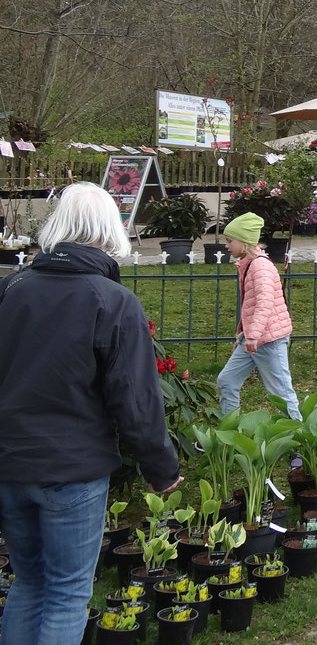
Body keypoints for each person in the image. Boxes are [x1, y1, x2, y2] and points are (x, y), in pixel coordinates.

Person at [0, 182, 181, 645]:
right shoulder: (113, 301)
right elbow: (137, 401)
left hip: (10, 463)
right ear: (108, 231)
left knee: (29, 582)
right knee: (65, 592)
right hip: (71, 469)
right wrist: (160, 470)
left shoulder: (10, 289)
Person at [215, 213, 303, 421]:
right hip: (254, 338)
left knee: (281, 392)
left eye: (230, 241)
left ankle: (298, 442)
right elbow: (251, 305)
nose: (226, 246)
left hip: (268, 339)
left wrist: (252, 336)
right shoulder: (249, 264)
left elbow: (265, 302)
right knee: (226, 381)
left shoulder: (260, 267)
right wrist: (244, 336)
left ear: (244, 242)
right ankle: (230, 433)